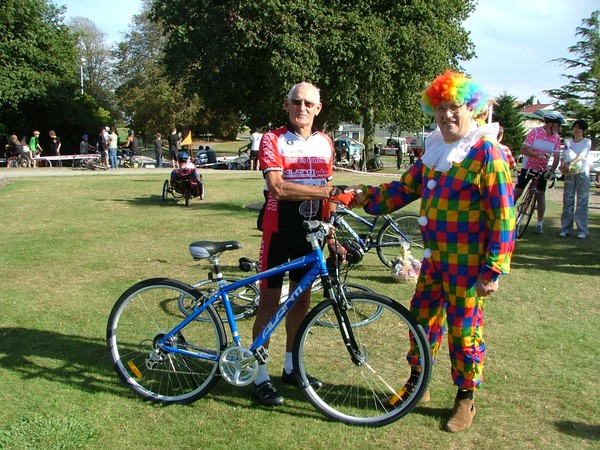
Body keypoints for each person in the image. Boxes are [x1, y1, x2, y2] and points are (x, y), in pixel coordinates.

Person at [345, 70, 515, 432]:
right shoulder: (436, 149)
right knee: (420, 321)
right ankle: (417, 385)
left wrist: (494, 269)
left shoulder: (487, 154)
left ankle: (465, 398)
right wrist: (363, 197)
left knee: (464, 330)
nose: (446, 115)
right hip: (434, 262)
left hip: (468, 266)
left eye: (453, 107)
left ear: (471, 108)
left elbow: (503, 215)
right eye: (439, 109)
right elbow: (402, 189)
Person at [252, 81, 335, 406]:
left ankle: (291, 367)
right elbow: (278, 188)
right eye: (296, 102)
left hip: (310, 235)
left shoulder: (326, 142)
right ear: (286, 106)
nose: (302, 108)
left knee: (301, 303)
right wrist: (326, 192)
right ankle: (259, 374)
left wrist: (332, 235)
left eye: (308, 104)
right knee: (269, 303)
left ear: (318, 109)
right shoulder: (272, 139)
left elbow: (328, 193)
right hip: (279, 231)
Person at [513, 111, 563, 234]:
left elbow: (556, 156)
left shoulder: (556, 138)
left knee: (540, 195)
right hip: (528, 167)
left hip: (543, 170)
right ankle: (505, 215)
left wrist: (551, 171)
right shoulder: (535, 132)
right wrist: (537, 155)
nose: (559, 128)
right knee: (518, 192)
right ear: (550, 124)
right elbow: (523, 149)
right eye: (557, 125)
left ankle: (539, 223)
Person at [559, 120, 592, 239]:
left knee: (582, 201)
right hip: (569, 174)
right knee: (568, 200)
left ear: (583, 130)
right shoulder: (568, 142)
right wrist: (563, 164)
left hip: (582, 173)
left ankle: (582, 229)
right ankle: (565, 228)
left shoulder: (587, 142)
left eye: (579, 128)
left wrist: (572, 163)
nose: (576, 130)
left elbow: (582, 155)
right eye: (575, 127)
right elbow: (564, 155)